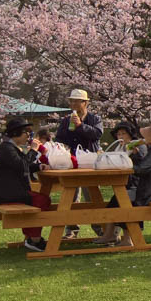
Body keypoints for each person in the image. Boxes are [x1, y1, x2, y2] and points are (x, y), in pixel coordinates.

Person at [0, 118, 53, 252]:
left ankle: (31, 237)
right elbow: (21, 166)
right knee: (42, 200)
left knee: (41, 200)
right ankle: (34, 239)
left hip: (9, 190)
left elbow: (21, 166)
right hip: (5, 193)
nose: (28, 135)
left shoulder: (11, 147)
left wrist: (38, 166)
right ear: (15, 133)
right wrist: (33, 150)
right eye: (25, 132)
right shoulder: (7, 149)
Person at [54, 88, 103, 238]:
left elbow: (97, 134)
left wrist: (81, 126)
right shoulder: (66, 120)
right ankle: (71, 229)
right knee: (71, 196)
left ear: (85, 103)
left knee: (93, 196)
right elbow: (60, 138)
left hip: (90, 162)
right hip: (72, 162)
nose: (73, 104)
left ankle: (100, 229)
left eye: (77, 101)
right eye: (71, 101)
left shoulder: (95, 119)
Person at [95, 121, 144, 245]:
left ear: (130, 134)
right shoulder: (119, 146)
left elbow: (141, 165)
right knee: (112, 207)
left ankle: (128, 239)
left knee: (126, 206)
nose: (121, 136)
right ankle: (109, 235)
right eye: (118, 134)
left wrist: (136, 153)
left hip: (135, 185)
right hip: (123, 184)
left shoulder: (137, 145)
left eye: (124, 133)